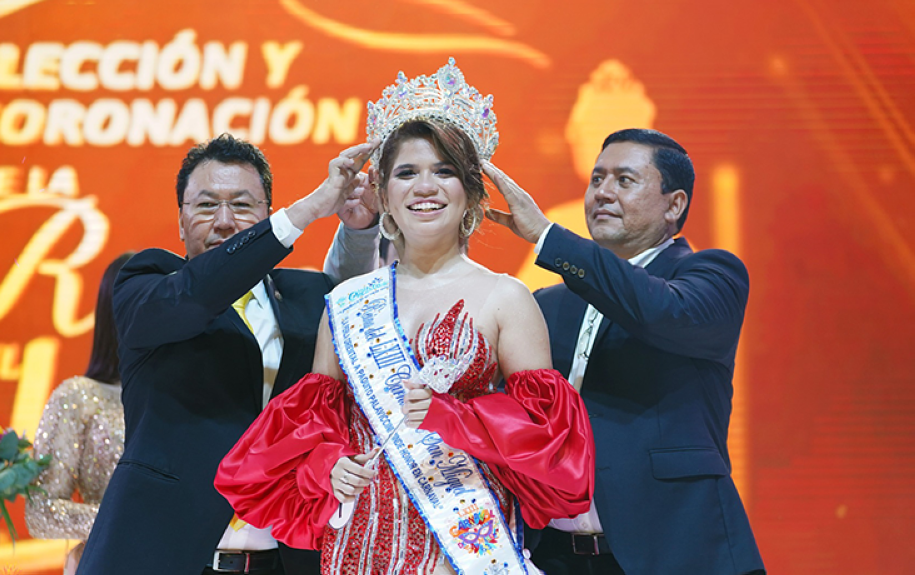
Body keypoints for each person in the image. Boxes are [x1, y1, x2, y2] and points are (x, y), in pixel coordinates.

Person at [215, 59, 595, 575]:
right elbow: (313, 425)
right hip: (362, 542)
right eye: (407, 173)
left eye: (444, 172)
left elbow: (548, 444)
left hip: (465, 542)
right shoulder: (347, 301)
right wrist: (330, 465)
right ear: (384, 196)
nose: (425, 187)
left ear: (472, 195)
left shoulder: (506, 298)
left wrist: (453, 417)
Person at [76, 134, 380, 575]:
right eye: (205, 205)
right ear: (180, 221)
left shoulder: (302, 295)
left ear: (265, 215)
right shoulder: (148, 283)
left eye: (241, 206)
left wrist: (358, 227)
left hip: (285, 561)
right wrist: (309, 208)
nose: (223, 221)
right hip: (163, 555)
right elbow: (200, 295)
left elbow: (346, 298)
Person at [484, 128, 766, 575]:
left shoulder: (711, 275)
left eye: (624, 180)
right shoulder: (546, 303)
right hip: (553, 555)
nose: (603, 193)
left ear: (674, 205)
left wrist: (546, 237)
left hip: (675, 550)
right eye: (597, 179)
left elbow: (659, 312)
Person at [25, 251, 134, 575]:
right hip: (109, 563)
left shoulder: (190, 395)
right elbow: (41, 511)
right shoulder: (80, 396)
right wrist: (130, 524)